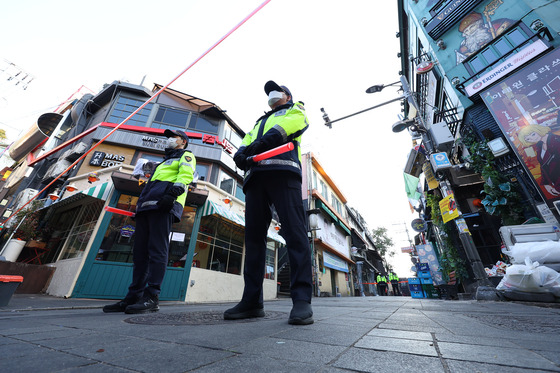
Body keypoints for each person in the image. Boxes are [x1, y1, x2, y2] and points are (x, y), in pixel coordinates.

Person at [224, 80, 313, 325]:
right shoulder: (258, 122)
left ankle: (302, 300)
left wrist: (263, 143)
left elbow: (293, 125)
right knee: (253, 240)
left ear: (287, 95)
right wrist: (240, 154)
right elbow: (247, 141)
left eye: (277, 90)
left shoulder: (296, 109)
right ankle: (252, 301)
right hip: (255, 179)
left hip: (283, 173)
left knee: (295, 234)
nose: (272, 94)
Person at [103, 129, 195, 314]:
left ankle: (152, 297)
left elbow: (185, 175)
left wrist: (172, 194)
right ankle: (133, 296)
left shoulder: (186, 155)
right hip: (146, 208)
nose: (169, 140)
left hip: (164, 205)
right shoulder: (163, 162)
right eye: (167, 137)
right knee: (140, 254)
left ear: (183, 141)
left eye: (172, 137)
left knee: (157, 251)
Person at [518, 124, 560, 197]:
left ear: (538, 130)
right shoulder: (540, 146)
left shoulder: (556, 141)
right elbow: (543, 166)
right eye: (528, 139)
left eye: (533, 134)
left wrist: (558, 187)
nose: (532, 139)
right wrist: (546, 183)